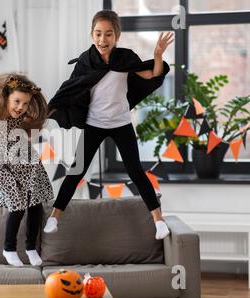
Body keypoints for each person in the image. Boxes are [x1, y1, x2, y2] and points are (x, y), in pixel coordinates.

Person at [43, 10, 173, 240]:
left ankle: (159, 221)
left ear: (117, 36)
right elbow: (70, 89)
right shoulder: (85, 62)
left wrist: (157, 54)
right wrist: (48, 110)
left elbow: (153, 74)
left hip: (121, 123)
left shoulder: (125, 58)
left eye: (109, 34)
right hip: (94, 123)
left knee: (136, 171)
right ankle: (54, 216)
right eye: (98, 34)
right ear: (92, 35)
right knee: (77, 169)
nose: (103, 39)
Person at [0, 73, 54, 266]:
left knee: (35, 204)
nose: (20, 107)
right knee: (17, 205)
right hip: (3, 170)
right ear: (5, 97)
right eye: (16, 101)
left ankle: (31, 247)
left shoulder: (20, 118)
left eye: (25, 103)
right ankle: (9, 248)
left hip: (26, 165)